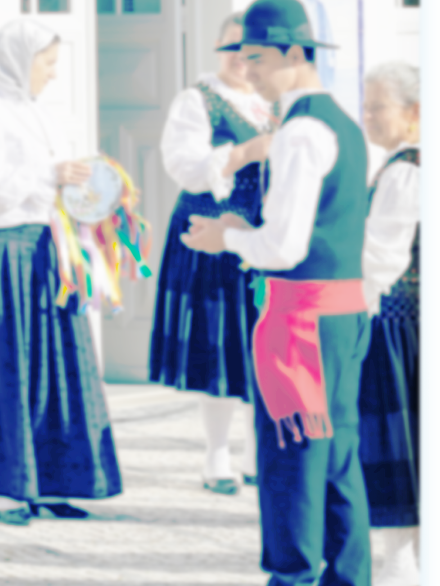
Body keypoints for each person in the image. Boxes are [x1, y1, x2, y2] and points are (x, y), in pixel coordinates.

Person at [180, 0, 373, 583]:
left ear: (295, 53)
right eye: (241, 57)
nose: (248, 71)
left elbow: (284, 248)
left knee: (292, 461)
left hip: (302, 321)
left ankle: (291, 577)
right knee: (337, 461)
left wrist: (227, 239)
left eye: (257, 58)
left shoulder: (299, 132)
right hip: (341, 315)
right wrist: (246, 234)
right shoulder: (341, 119)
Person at [0, 19, 122, 526]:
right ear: (19, 60)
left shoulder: (38, 113)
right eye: (48, 63)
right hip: (1, 254)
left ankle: (53, 480)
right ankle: (8, 489)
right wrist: (51, 175)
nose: (53, 75)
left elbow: (57, 181)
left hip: (46, 252)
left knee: (55, 368)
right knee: (7, 368)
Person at [149, 11, 271, 495]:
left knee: (258, 341)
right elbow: (185, 168)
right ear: (217, 49)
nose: (242, 57)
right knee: (219, 343)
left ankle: (257, 449)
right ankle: (216, 455)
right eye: (233, 47)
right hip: (209, 233)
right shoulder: (197, 100)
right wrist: (243, 153)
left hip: (262, 237)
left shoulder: (274, 103)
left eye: (252, 49)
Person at [358, 62, 420, 586]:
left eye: (378, 106)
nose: (368, 115)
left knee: (403, 454)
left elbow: (379, 258)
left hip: (401, 330)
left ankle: (401, 570)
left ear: (414, 113)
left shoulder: (406, 172)